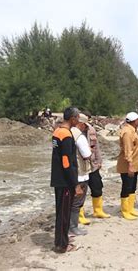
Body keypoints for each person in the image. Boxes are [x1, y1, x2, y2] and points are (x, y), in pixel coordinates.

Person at [51, 107, 83, 253]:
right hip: (65, 182)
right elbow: (66, 162)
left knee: (60, 212)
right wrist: (75, 184)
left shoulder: (57, 131)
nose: (79, 120)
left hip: (58, 178)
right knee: (64, 214)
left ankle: (61, 239)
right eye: (78, 118)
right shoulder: (67, 135)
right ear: (73, 118)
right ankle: (62, 245)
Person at [116, 112, 138, 220]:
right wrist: (130, 166)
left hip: (134, 165)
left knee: (132, 187)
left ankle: (130, 208)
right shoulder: (127, 132)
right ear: (134, 121)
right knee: (127, 187)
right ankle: (125, 210)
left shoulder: (132, 130)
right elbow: (128, 150)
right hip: (128, 165)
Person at [70, 114, 92, 235]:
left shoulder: (67, 132)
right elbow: (86, 154)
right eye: (85, 126)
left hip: (69, 173)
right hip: (80, 173)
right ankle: (73, 227)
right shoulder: (79, 136)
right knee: (77, 202)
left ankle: (69, 226)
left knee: (69, 201)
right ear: (81, 124)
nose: (86, 128)